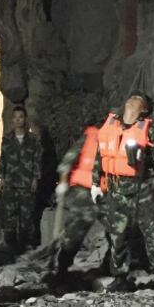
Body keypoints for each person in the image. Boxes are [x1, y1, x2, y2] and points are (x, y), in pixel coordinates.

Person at [93, 93, 154, 291]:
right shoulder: (111, 125)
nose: (131, 99)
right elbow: (99, 154)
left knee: (151, 231)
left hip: (139, 187)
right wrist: (95, 183)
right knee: (117, 234)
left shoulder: (147, 130)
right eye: (130, 97)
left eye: (137, 99)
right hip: (115, 187)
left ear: (143, 109)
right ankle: (120, 277)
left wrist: (143, 155)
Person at [50, 114, 106, 279]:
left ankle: (116, 269)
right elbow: (67, 161)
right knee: (76, 231)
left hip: (106, 191)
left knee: (120, 228)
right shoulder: (90, 138)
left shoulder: (118, 140)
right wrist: (62, 184)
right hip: (84, 192)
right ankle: (62, 269)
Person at [0, 105, 43, 252]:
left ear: (25, 119)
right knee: (9, 215)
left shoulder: (33, 140)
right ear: (12, 120)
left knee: (27, 215)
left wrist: (35, 179)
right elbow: (3, 160)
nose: (18, 120)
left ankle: (28, 243)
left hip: (26, 183)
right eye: (15, 117)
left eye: (21, 117)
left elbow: (37, 160)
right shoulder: (7, 139)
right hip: (10, 182)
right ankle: (10, 244)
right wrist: (2, 179)